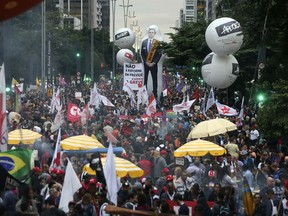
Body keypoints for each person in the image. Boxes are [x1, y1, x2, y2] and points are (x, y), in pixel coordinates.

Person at [140, 27, 162, 100]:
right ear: (148, 33)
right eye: (150, 32)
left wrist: (154, 62)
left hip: (153, 65)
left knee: (154, 79)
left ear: (154, 34)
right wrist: (145, 61)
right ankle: (144, 93)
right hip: (146, 64)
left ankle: (155, 93)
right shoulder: (144, 42)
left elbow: (159, 54)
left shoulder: (157, 43)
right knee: (145, 79)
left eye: (152, 32)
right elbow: (142, 53)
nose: (151, 34)